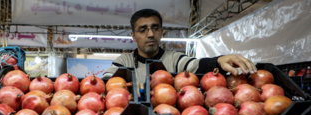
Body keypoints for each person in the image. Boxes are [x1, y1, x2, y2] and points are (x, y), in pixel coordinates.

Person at [103, 8, 257, 84]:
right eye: (143, 30)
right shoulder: (124, 61)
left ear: (162, 32)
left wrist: (219, 61)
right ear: (133, 36)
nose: (150, 34)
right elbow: (107, 81)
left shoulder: (174, 59)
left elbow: (196, 65)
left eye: (155, 28)